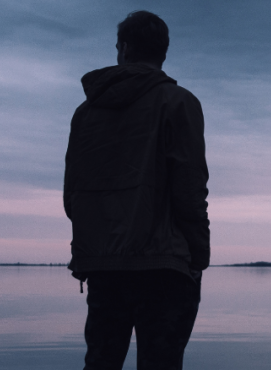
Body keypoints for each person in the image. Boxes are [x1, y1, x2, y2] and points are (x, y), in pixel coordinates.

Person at [63, 10, 210, 370]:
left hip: (104, 265)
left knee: (100, 364)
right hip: (165, 266)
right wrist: (199, 254)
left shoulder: (86, 113)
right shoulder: (179, 103)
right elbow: (190, 188)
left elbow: (73, 194)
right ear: (163, 52)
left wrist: (88, 253)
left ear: (125, 49)